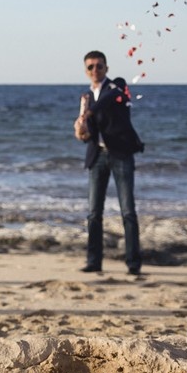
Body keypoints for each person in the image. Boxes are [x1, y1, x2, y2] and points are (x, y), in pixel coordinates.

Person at [74, 50, 144, 277]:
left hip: (121, 154)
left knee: (128, 211)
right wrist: (81, 130)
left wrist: (87, 113)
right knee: (94, 213)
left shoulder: (117, 87)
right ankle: (94, 261)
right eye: (90, 67)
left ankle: (133, 263)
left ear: (106, 68)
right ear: (85, 70)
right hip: (97, 156)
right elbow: (87, 134)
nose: (95, 70)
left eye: (99, 66)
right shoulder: (86, 97)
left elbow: (107, 101)